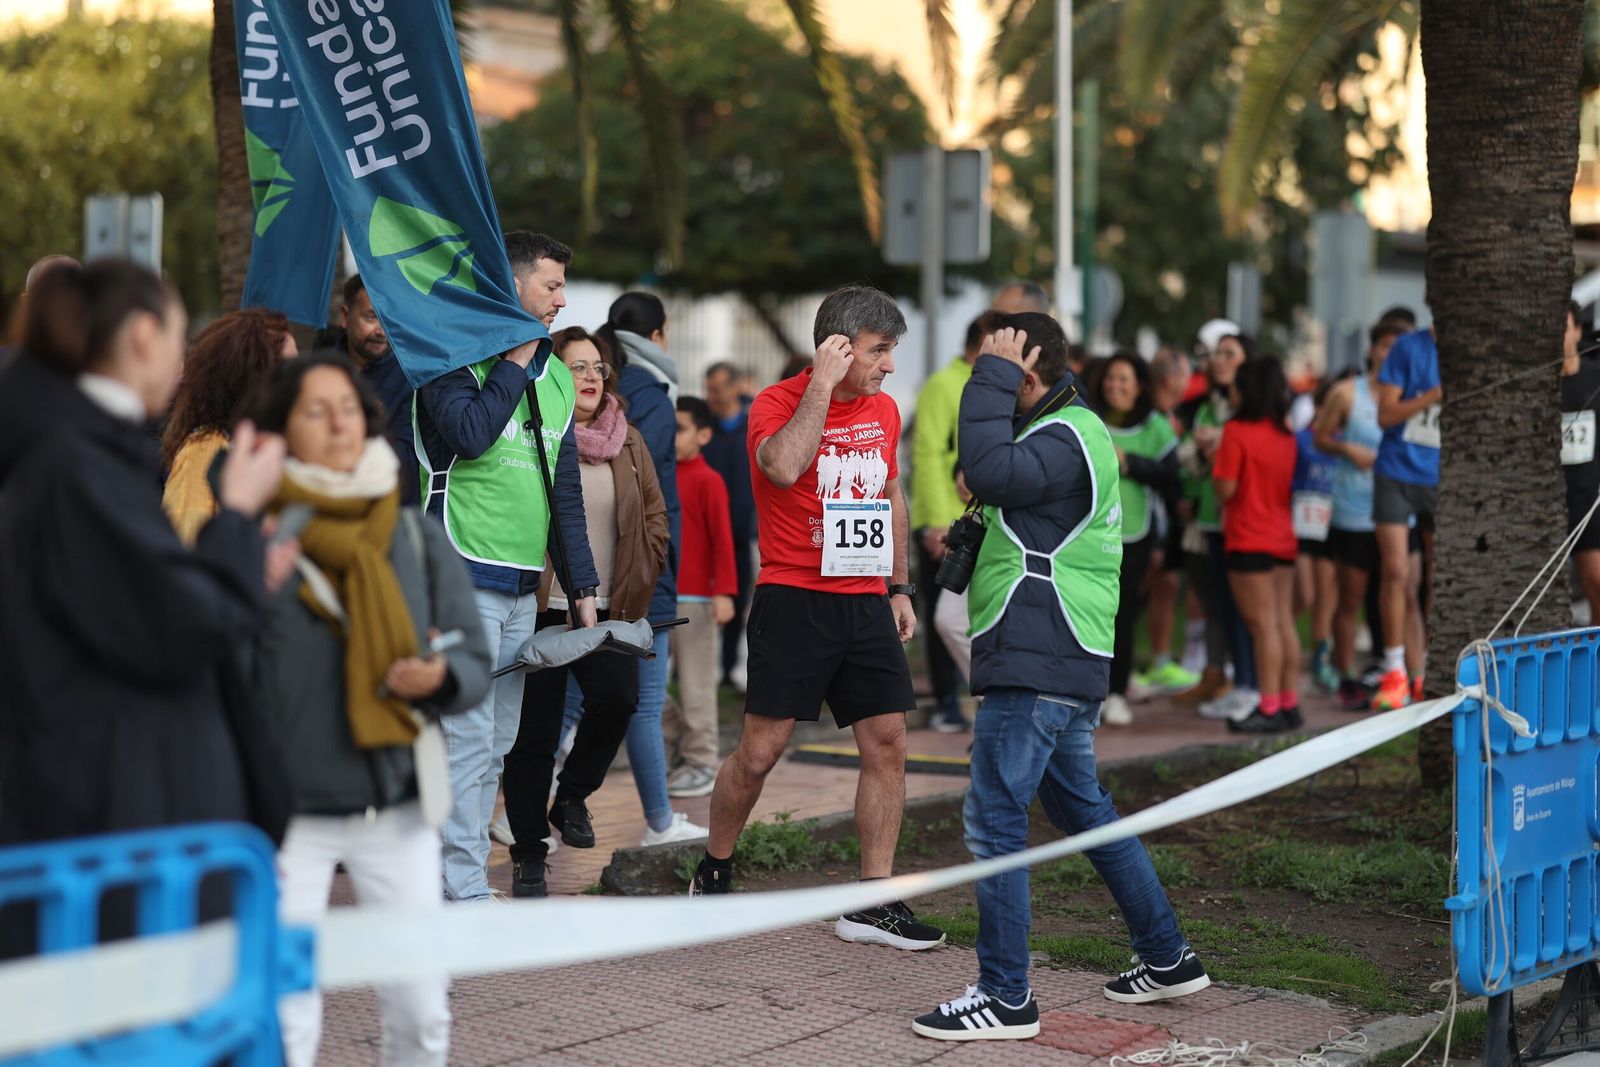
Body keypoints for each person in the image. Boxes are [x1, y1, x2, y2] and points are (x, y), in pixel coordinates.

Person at [913, 316, 1210, 1043]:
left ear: (1029, 375)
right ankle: (1166, 953)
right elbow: (994, 477)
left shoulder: (1065, 434)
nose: (994, 382)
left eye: (1004, 371)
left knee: (994, 817)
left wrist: (990, 379)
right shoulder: (1070, 433)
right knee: (1084, 809)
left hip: (1039, 653)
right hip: (1060, 654)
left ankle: (1005, 994)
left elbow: (983, 472)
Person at [245, 355, 491, 1067]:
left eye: (347, 408)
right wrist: (241, 588)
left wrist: (440, 675)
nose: (336, 422)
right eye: (315, 411)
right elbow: (212, 667)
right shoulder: (256, 537)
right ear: (283, 429)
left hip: (395, 803)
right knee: (284, 1011)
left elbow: (474, 664)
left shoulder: (413, 534)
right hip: (285, 813)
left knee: (421, 1009)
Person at [0, 260, 289, 856]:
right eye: (177, 337)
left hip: (101, 805)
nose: (182, 362)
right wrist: (234, 518)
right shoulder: (76, 463)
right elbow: (182, 626)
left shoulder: (71, 446)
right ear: (142, 335)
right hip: (102, 819)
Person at [689, 285, 945, 951]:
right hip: (794, 596)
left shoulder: (886, 411)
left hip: (865, 598)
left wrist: (899, 585)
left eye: (893, 351)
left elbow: (890, 494)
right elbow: (781, 466)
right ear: (836, 348)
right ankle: (714, 866)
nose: (889, 366)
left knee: (888, 739)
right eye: (878, 351)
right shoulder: (777, 403)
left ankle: (872, 900)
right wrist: (823, 388)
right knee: (761, 750)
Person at [414, 230, 599, 903]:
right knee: (464, 735)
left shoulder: (553, 375)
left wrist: (582, 584)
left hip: (523, 581)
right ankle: (459, 883)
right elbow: (468, 433)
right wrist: (514, 361)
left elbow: (564, 487)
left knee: (498, 739)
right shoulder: (450, 353)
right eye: (550, 284)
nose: (561, 298)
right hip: (459, 569)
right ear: (511, 284)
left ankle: (446, 869)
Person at [501, 327, 677, 896]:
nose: (592, 377)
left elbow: (655, 513)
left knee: (619, 698)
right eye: (578, 367)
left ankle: (572, 793)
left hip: (606, 609)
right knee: (533, 737)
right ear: (553, 375)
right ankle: (529, 852)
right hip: (541, 609)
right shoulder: (536, 432)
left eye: (598, 366)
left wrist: (645, 566)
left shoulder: (628, 441)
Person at [596, 292, 705, 842]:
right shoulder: (653, 397)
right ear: (657, 337)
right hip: (643, 569)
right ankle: (660, 823)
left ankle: (515, 814)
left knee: (569, 697)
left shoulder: (609, 390)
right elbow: (649, 491)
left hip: (600, 563)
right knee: (642, 702)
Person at [1315, 320, 1402, 709]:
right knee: (1350, 597)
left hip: (1399, 514)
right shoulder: (1347, 394)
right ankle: (1346, 674)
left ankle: (1393, 668)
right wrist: (1348, 450)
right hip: (1354, 511)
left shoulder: (1412, 396)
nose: (1391, 354)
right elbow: (1320, 435)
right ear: (1372, 350)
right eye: (1385, 346)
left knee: (1398, 589)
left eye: (1399, 347)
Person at [1213, 357, 1301, 734]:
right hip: (1282, 535)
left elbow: (1227, 488)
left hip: (1248, 535)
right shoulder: (1285, 433)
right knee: (1282, 622)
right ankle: (1288, 701)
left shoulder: (1236, 431)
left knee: (1262, 626)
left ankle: (1267, 707)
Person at [162, 308, 297, 545]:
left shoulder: (275, 444)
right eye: (287, 368)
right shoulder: (203, 452)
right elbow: (188, 548)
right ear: (252, 377)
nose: (300, 379)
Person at [1094, 352, 1179, 728]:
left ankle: (1117, 692)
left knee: (1122, 614)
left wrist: (1130, 463)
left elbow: (1173, 475)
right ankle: (1090, 691)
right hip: (1090, 531)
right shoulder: (1089, 417)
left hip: (1135, 533)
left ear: (1140, 385)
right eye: (1111, 378)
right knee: (1091, 612)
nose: (1116, 386)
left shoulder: (1155, 425)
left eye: (1124, 379)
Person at [1174, 333, 1257, 718]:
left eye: (1230, 354)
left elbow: (1252, 452)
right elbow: (1189, 460)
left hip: (1243, 523)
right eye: (1217, 354)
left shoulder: (1253, 408)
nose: (1220, 361)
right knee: (1216, 604)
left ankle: (1249, 685)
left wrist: (1218, 444)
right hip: (1207, 519)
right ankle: (1218, 675)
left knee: (1245, 609)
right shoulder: (1207, 406)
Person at [911, 317, 985, 732]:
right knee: (944, 615)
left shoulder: (986, 385)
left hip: (971, 521)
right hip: (946, 522)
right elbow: (929, 456)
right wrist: (937, 522)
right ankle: (945, 703)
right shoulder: (944, 384)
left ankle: (969, 698)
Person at [666, 396, 738, 798]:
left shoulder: (709, 480)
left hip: (697, 599)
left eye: (681, 428)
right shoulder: (660, 474)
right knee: (648, 691)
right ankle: (683, 750)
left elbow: (723, 541)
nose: (672, 436)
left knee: (696, 687)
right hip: (658, 599)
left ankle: (701, 762)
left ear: (704, 434)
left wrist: (724, 592)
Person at [1372, 324, 1441, 709]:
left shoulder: (1474, 344)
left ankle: (1430, 668)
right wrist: (1431, 397)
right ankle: (1394, 668)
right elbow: (1385, 414)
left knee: (1437, 575)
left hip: (1442, 477)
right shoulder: (1407, 348)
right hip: (1396, 472)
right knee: (1395, 570)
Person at [1131, 347, 1200, 697]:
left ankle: (1159, 662)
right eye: (1187, 374)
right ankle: (1123, 670)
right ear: (1172, 379)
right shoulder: (1149, 418)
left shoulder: (1170, 416)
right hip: (1145, 521)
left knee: (1166, 585)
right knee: (1137, 591)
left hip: (1163, 520)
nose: (1190, 382)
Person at [337, 274, 419, 506]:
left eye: (388, 319)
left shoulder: (411, 379)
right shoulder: (322, 373)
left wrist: (374, 426)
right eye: (371, 317)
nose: (381, 331)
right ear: (345, 316)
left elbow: (409, 465)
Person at [704, 360, 756, 689]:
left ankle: (731, 670)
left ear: (736, 387)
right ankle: (704, 669)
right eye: (709, 389)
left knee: (741, 602)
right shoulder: (704, 429)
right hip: (707, 532)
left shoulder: (753, 426)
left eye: (718, 389)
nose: (712, 396)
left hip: (743, 532)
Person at [1292, 380, 1339, 692]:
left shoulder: (1343, 441)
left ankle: (1321, 662)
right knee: (1305, 595)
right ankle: (1282, 649)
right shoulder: (1301, 439)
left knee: (1326, 597)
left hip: (1330, 526)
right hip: (1300, 525)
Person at [1560, 301, 1600, 621]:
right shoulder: (1534, 389)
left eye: (1563, 326)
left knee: (1595, 582)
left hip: (1590, 500)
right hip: (1545, 503)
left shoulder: (1595, 378)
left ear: (1577, 331)